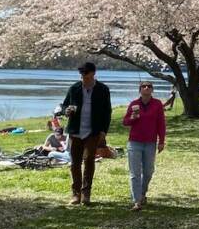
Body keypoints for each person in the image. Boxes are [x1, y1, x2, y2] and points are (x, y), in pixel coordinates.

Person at [59, 62, 112, 206]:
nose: (84, 77)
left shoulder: (102, 89)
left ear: (93, 73)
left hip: (93, 131)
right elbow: (63, 105)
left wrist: (103, 131)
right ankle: (76, 194)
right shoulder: (74, 88)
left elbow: (107, 111)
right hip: (76, 131)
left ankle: (86, 193)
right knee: (75, 163)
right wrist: (66, 111)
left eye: (86, 74)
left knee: (89, 160)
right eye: (81, 74)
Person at [122, 81, 167, 211]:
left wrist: (162, 141)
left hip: (150, 143)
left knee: (148, 171)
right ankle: (136, 201)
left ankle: (142, 193)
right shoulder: (134, 104)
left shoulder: (157, 104)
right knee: (135, 173)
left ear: (152, 90)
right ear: (140, 90)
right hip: (134, 142)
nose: (146, 88)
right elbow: (125, 122)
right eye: (144, 86)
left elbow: (161, 123)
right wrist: (133, 117)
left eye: (149, 86)